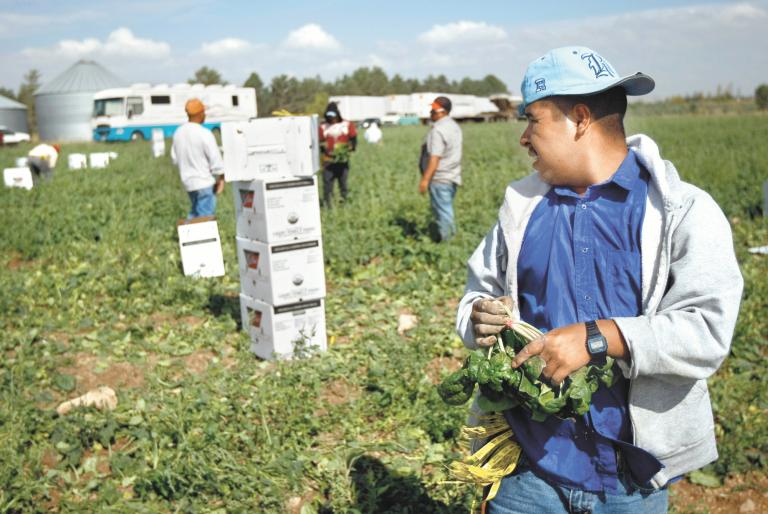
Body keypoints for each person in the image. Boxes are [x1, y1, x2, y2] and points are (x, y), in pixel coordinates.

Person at [456, 46, 743, 513]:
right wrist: (479, 317)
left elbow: (707, 331)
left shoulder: (681, 212)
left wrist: (599, 337)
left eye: (534, 120)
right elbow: (477, 295)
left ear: (581, 118)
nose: (524, 138)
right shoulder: (521, 212)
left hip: (631, 479)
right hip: (531, 471)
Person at [171, 98, 225, 219]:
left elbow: (174, 159)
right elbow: (216, 160)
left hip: (188, 183)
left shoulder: (178, 133)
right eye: (204, 112)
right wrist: (221, 178)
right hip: (204, 182)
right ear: (200, 114)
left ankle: (187, 235)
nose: (205, 115)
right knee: (205, 219)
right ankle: (196, 236)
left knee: (195, 214)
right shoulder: (204, 133)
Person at [419, 96, 463, 241]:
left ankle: (449, 245)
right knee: (445, 211)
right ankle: (449, 239)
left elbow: (435, 158)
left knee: (444, 214)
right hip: (452, 176)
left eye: (433, 110)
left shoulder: (438, 130)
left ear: (442, 111)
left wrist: (425, 180)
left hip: (440, 178)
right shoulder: (454, 127)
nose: (430, 113)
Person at [319, 102, 357, 206]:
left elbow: (353, 138)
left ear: (337, 114)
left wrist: (350, 147)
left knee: (343, 184)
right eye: (329, 116)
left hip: (342, 160)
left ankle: (343, 204)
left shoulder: (347, 124)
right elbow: (318, 141)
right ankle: (328, 205)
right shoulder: (323, 126)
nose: (332, 119)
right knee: (327, 185)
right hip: (328, 161)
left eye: (334, 116)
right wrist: (323, 148)